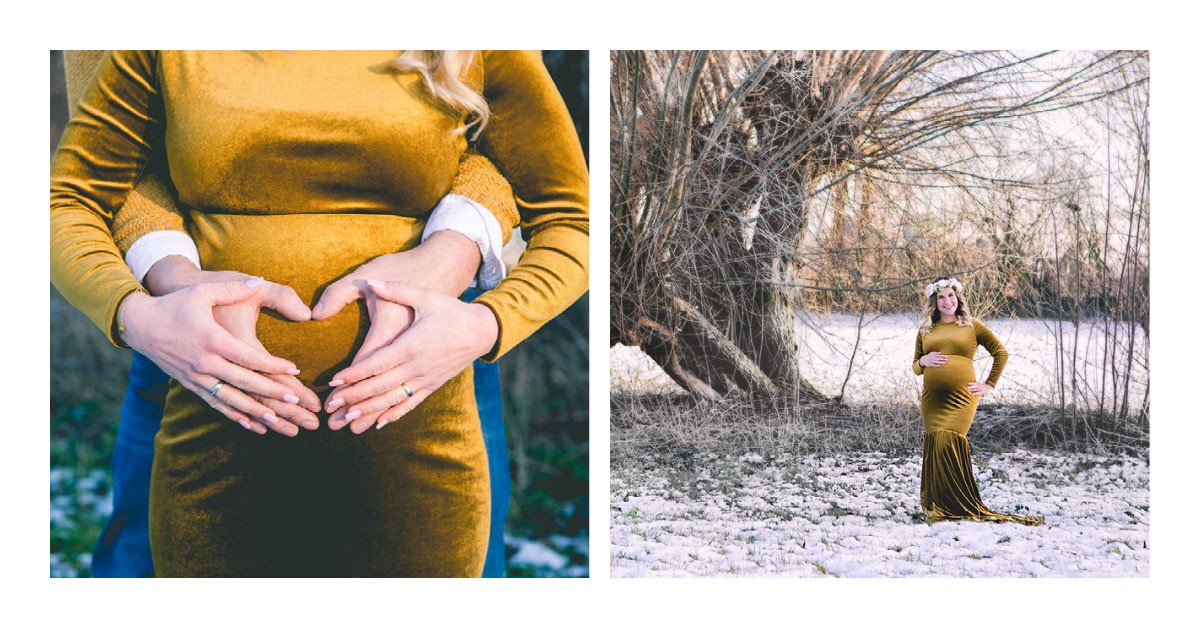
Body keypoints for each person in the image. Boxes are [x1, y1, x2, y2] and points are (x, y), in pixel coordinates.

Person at [51, 50, 589, 576]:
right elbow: (91, 188)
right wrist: (143, 311)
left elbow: (548, 191)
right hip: (198, 384)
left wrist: (480, 312)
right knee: (135, 560)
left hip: (424, 411)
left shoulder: (471, 40)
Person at [912, 277, 1043, 526]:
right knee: (936, 444)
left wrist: (989, 384)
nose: (947, 301)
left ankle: (959, 503)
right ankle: (937, 505)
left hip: (962, 398)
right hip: (932, 401)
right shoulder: (925, 329)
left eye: (951, 296)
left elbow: (1000, 353)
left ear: (958, 298)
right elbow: (915, 367)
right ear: (934, 301)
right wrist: (923, 362)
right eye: (941, 297)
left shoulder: (973, 326)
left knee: (948, 442)